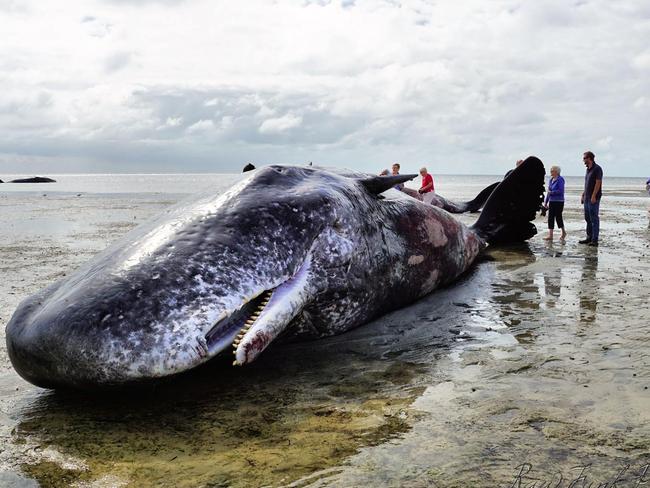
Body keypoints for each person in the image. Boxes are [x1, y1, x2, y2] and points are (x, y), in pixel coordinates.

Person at [579, 151, 603, 246]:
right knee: (587, 218)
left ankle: (594, 240)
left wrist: (593, 195)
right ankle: (589, 237)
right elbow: (587, 184)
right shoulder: (588, 169)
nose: (583, 160)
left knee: (594, 218)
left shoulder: (597, 169)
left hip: (594, 198)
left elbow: (598, 183)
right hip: (587, 197)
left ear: (590, 158)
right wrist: (583, 194)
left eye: (585, 158)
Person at [543, 165, 566, 241]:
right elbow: (548, 192)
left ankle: (563, 232)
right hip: (552, 201)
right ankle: (550, 235)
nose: (551, 172)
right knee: (550, 218)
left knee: (558, 217)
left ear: (556, 172)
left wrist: (552, 192)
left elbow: (561, 191)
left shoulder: (560, 179)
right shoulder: (551, 180)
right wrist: (546, 202)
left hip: (559, 201)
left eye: (552, 171)